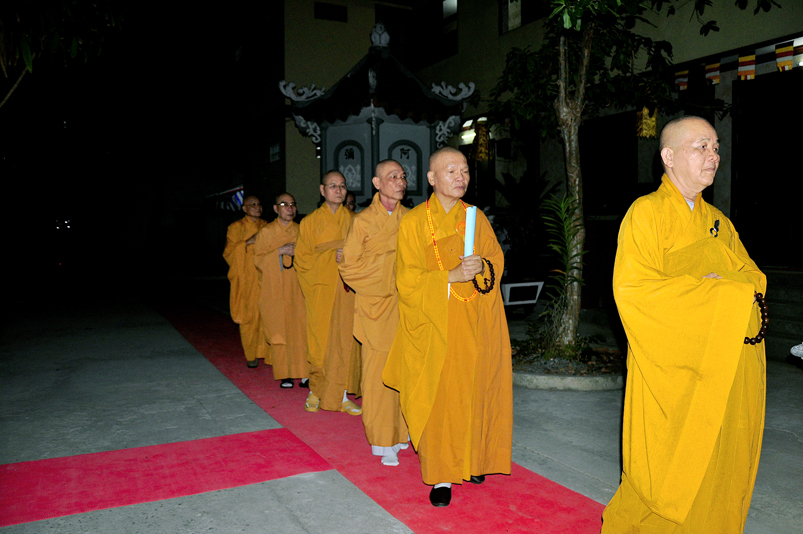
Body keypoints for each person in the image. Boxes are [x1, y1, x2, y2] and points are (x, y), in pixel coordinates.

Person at [602, 116, 767, 532]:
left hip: (721, 367)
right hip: (671, 374)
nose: (713, 156)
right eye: (701, 147)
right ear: (669, 156)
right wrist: (708, 290)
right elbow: (633, 291)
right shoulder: (646, 213)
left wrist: (721, 285)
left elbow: (754, 279)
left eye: (716, 148)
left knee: (718, 461)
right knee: (662, 470)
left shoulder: (719, 223)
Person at [384, 147, 512, 507]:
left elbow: (495, 260)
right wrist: (450, 276)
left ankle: (472, 461)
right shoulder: (413, 223)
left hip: (473, 322)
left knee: (473, 391)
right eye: (451, 171)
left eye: (465, 171)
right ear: (431, 178)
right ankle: (441, 475)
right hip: (433, 326)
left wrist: (482, 266)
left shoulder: (475, 217)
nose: (461, 177)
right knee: (440, 399)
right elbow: (406, 280)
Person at [339, 160, 410, 467]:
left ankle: (403, 431)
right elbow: (349, 268)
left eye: (403, 176)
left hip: (407, 307)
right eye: (393, 177)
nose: (400, 181)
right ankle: (383, 440)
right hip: (376, 309)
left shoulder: (412, 218)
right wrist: (391, 271)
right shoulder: (363, 221)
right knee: (379, 376)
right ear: (377, 183)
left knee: (405, 372)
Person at [295, 171, 362, 415]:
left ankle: (341, 395)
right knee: (319, 341)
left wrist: (349, 256)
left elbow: (366, 254)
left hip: (347, 292)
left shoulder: (356, 221)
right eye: (333, 185)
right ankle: (316, 390)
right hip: (320, 290)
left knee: (344, 342)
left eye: (342, 186)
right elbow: (302, 261)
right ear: (322, 190)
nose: (338, 190)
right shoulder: (310, 222)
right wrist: (330, 255)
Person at [253, 193, 310, 389]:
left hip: (298, 288)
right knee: (280, 330)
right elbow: (258, 260)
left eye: (292, 204)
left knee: (301, 329)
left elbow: (311, 257)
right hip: (275, 289)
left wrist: (298, 253)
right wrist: (278, 252)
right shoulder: (266, 232)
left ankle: (305, 373)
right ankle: (285, 374)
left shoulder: (302, 230)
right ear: (276, 209)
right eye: (284, 204)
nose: (290, 208)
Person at [223, 195, 270, 368]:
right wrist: (248, 242)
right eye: (252, 205)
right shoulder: (235, 228)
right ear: (244, 209)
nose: (257, 207)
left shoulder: (267, 226)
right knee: (249, 317)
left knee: (267, 316)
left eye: (259, 204)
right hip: (246, 280)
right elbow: (228, 253)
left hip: (265, 277)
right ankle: (251, 355)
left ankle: (267, 353)